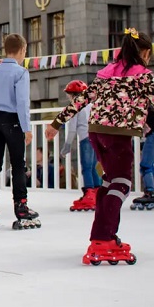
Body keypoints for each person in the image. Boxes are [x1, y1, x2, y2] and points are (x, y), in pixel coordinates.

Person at [46, 28, 154, 265]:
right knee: (121, 184)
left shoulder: (105, 72)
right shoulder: (142, 76)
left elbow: (82, 99)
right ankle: (102, 238)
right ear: (143, 53)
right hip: (117, 135)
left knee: (110, 182)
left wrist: (56, 123)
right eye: (148, 54)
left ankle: (102, 235)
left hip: (96, 133)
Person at [0, 33, 39, 230]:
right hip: (11, 120)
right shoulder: (20, 72)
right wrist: (26, 128)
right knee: (18, 164)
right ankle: (21, 206)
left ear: (5, 50)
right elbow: (22, 102)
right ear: (22, 50)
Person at [60, 80, 100, 212]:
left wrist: (67, 145)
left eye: (68, 94)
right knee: (93, 167)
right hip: (96, 138)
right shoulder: (91, 105)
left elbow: (72, 129)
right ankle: (98, 194)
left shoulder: (75, 107)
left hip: (86, 139)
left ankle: (89, 195)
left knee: (86, 168)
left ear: (72, 95)